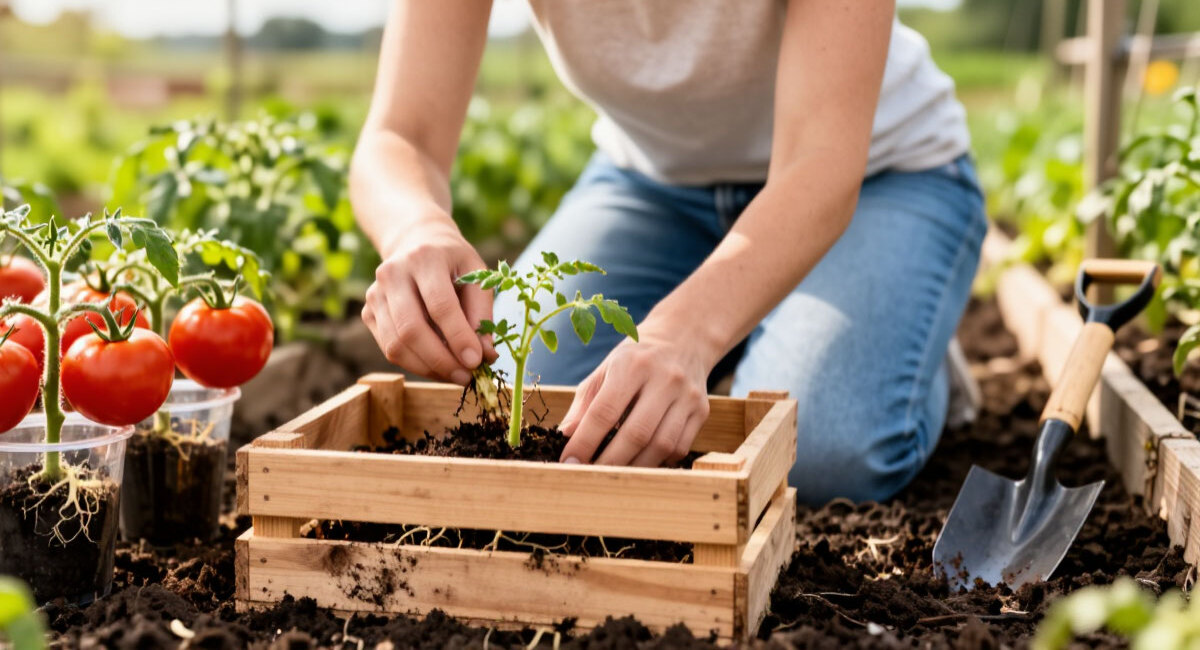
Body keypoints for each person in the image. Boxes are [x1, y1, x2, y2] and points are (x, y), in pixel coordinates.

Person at [350, 1, 986, 505]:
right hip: (654, 186)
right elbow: (401, 135)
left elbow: (821, 161)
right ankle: (769, 323)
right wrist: (415, 229)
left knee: (818, 450)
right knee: (537, 398)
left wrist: (684, 333)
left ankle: (900, 330)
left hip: (875, 177)